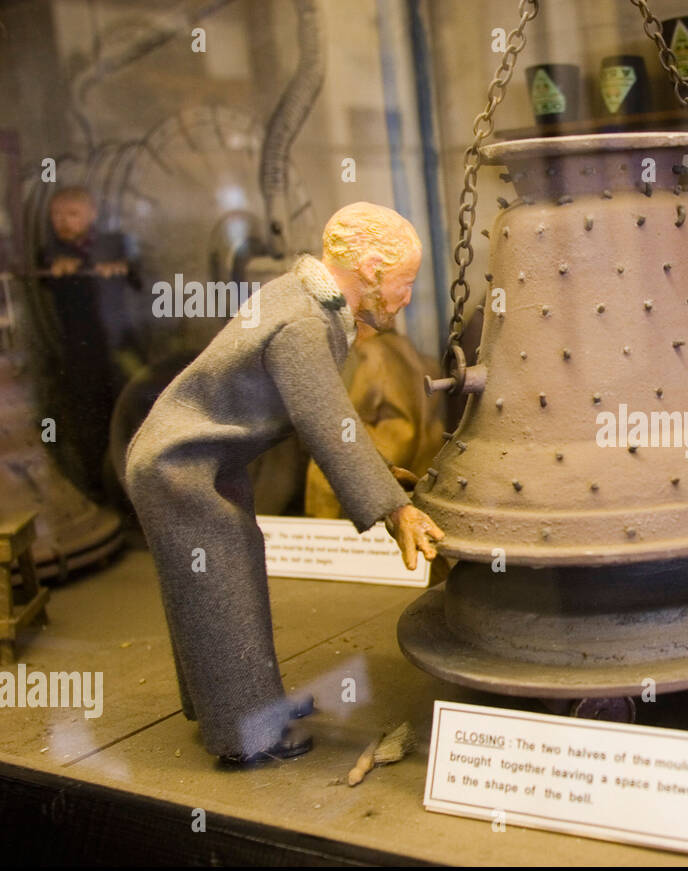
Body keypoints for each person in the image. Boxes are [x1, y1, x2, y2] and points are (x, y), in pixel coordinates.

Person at [125, 201, 443, 764]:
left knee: (222, 585)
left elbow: (322, 414)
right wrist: (395, 510)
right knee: (220, 592)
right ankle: (245, 738)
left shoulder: (300, 296)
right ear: (371, 270)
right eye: (406, 282)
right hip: (180, 467)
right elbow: (327, 425)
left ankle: (244, 706)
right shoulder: (303, 324)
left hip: (199, 462)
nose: (407, 297)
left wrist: (378, 473)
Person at [38, 186, 144, 496]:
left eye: (72, 214)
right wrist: (58, 267)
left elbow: (138, 275)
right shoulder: (50, 253)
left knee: (133, 410)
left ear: (92, 214)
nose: (63, 221)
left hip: (120, 347)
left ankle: (139, 485)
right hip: (81, 355)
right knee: (90, 422)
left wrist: (120, 266)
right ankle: (101, 490)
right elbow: (43, 272)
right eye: (57, 215)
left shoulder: (116, 244)